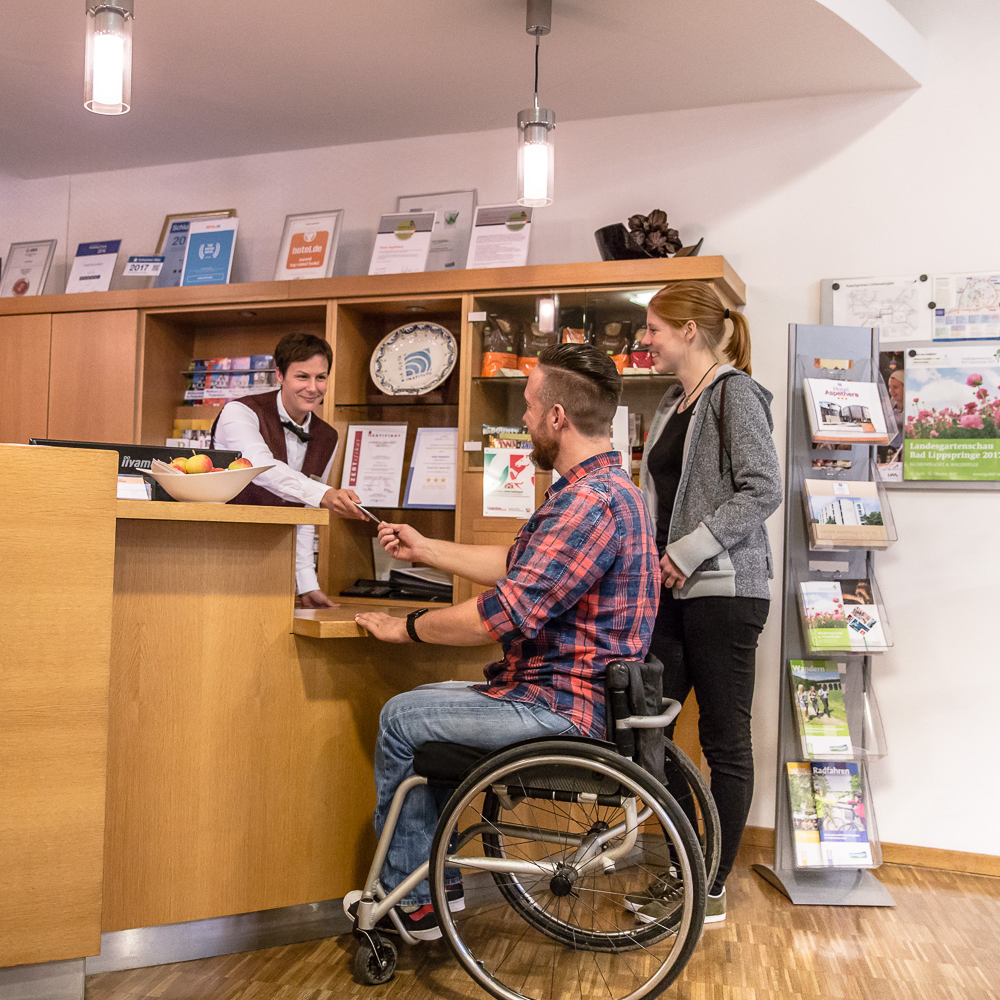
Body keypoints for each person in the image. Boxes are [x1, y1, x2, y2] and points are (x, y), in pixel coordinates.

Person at [350, 343, 657, 941]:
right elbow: (519, 563)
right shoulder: (610, 490)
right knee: (430, 712)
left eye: (529, 404)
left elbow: (503, 614)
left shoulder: (587, 504)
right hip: (576, 696)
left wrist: (405, 626)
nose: (523, 418)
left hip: (562, 708)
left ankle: (413, 901)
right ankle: (435, 888)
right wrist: (427, 549)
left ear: (557, 417)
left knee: (401, 716)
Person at [634, 280, 781, 923]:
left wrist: (688, 550)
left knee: (724, 742)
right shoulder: (673, 402)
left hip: (725, 594)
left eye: (654, 329)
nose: (646, 340)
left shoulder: (736, 395)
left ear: (688, 330)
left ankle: (709, 885)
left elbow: (763, 489)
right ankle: (685, 864)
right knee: (648, 729)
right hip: (670, 592)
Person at [211, 332, 367, 607]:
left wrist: (306, 582)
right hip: (221, 553)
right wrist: (324, 494)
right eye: (302, 376)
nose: (313, 387)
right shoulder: (240, 412)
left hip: (276, 567)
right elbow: (261, 467)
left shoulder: (327, 436)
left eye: (321, 377)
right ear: (280, 375)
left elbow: (306, 513)